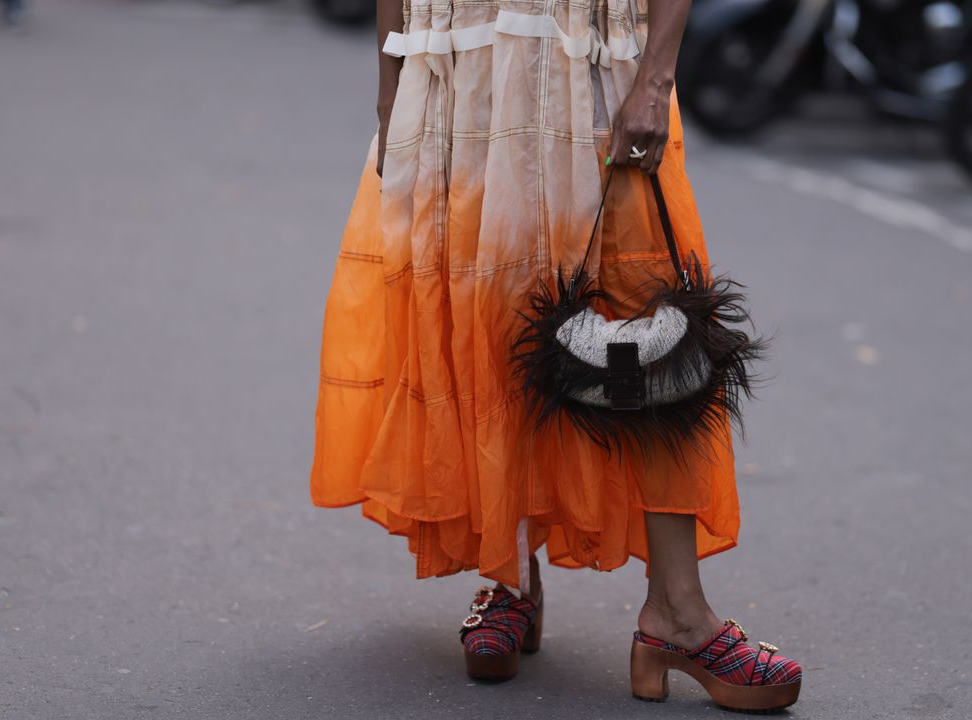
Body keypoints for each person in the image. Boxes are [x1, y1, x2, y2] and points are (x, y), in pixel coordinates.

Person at [309, 0, 802, 711]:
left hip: (597, 59)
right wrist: (390, 93)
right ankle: (509, 575)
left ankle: (677, 612)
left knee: (652, 328)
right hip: (459, 64)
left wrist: (656, 79)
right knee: (490, 321)